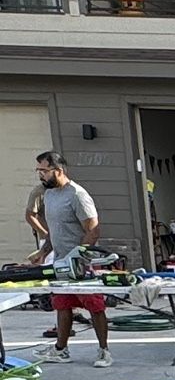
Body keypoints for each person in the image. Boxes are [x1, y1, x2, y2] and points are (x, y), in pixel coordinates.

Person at [30, 151, 112, 368]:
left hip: (80, 263)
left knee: (94, 305)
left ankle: (104, 351)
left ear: (58, 170)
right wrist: (43, 252)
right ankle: (61, 349)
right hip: (60, 261)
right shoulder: (49, 195)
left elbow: (93, 231)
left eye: (44, 171)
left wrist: (78, 257)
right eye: (38, 171)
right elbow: (53, 232)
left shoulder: (77, 195)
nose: (40, 175)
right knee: (62, 305)